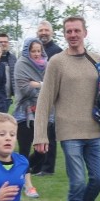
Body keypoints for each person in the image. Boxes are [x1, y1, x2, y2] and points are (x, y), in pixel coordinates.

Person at [32, 16, 100, 201]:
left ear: (85, 33)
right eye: (69, 31)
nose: (73, 34)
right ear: (65, 35)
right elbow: (45, 98)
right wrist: (40, 135)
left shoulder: (97, 60)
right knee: (77, 182)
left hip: (94, 130)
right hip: (69, 132)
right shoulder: (57, 62)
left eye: (77, 30)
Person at [13, 37, 50, 199]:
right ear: (27, 51)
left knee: (42, 151)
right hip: (24, 113)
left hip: (43, 112)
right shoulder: (21, 64)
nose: (36, 54)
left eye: (38, 51)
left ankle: (18, 172)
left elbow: (52, 88)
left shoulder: (47, 65)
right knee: (24, 149)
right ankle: (28, 185)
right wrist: (42, 85)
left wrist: (36, 84)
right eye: (33, 51)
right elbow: (24, 89)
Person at [35, 20, 62, 175]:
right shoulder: (34, 49)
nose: (43, 32)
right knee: (38, 133)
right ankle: (38, 165)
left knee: (50, 135)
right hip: (35, 97)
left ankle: (48, 168)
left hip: (51, 98)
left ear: (51, 32)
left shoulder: (56, 51)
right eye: (41, 30)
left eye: (46, 30)